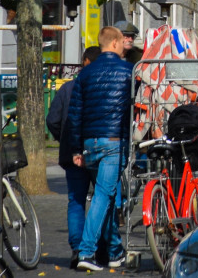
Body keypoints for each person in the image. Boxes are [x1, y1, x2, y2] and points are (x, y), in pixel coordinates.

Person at [68, 27, 136, 272]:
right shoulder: (129, 71)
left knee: (105, 196)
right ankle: (87, 252)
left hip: (90, 143)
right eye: (123, 41)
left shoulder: (85, 75)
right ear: (116, 43)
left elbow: (75, 114)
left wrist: (77, 149)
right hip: (113, 142)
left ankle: (115, 251)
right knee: (103, 197)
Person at [48, 46, 100, 266]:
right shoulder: (100, 90)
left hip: (72, 152)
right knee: (102, 199)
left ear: (84, 61)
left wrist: (65, 139)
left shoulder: (68, 88)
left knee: (76, 200)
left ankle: (77, 249)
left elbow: (52, 120)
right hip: (98, 151)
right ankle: (100, 248)